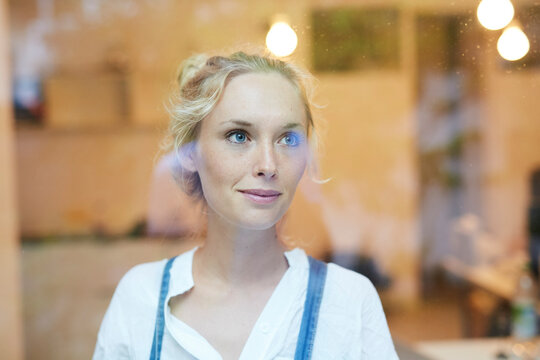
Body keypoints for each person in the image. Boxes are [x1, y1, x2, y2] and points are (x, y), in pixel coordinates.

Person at [93, 51, 399, 360]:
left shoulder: (347, 302)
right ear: (189, 152)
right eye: (239, 136)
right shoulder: (140, 299)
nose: (268, 165)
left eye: (287, 139)